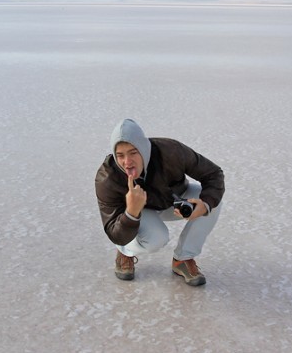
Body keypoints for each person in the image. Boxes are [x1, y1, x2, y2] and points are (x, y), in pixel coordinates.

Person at [94, 118, 225, 286]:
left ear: (144, 148)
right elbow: (114, 232)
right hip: (137, 213)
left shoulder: (172, 151)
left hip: (171, 199)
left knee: (211, 200)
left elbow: (214, 174)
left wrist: (204, 205)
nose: (127, 162)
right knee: (157, 238)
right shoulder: (107, 178)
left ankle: (183, 259)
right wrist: (131, 212)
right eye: (120, 155)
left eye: (133, 152)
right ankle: (125, 252)